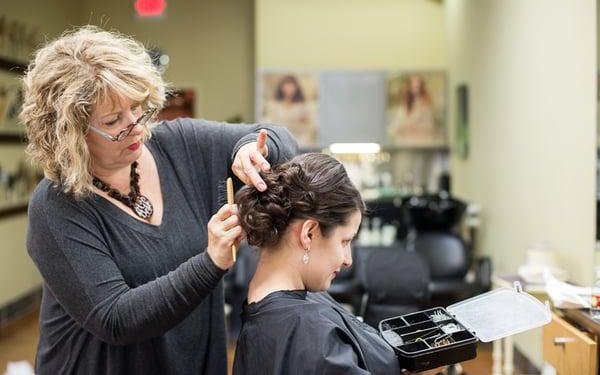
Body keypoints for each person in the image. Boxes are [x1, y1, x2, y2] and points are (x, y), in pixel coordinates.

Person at [19, 26, 297, 375]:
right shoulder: (57, 205)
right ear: (70, 134)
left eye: (137, 108)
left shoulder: (179, 144)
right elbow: (115, 318)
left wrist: (248, 150)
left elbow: (278, 137)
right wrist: (211, 262)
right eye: (113, 121)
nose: (136, 127)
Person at [232, 153, 402, 374]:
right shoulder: (306, 333)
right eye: (344, 241)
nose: (347, 260)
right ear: (309, 234)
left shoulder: (280, 305)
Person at [262, 75, 317, 146]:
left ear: (296, 87)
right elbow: (267, 122)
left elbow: (311, 126)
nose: (289, 89)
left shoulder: (303, 106)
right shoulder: (273, 105)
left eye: (291, 86)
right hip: (278, 139)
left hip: (300, 141)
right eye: (286, 85)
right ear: (281, 87)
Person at [387, 74, 438, 144]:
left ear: (421, 87)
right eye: (413, 86)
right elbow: (396, 126)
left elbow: (429, 127)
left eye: (417, 86)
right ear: (409, 87)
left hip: (422, 143)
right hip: (405, 143)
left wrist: (411, 128)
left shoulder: (426, 105)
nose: (415, 88)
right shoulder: (405, 105)